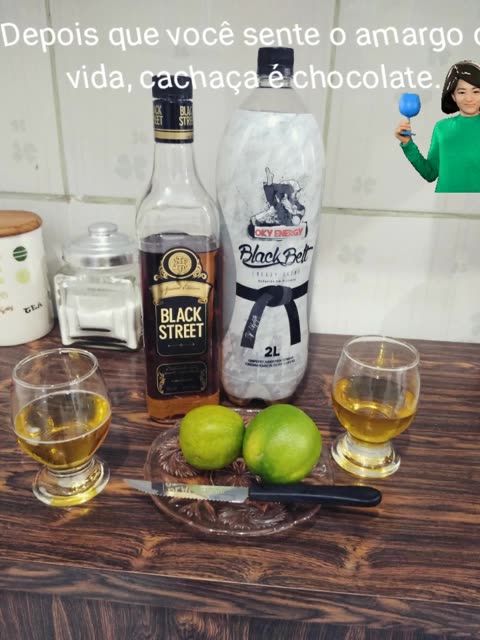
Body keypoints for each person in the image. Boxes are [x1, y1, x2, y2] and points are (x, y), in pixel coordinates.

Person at [395, 60, 480, 193]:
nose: (469, 98)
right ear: (453, 96)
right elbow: (430, 173)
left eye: (476, 91)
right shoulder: (441, 128)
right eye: (462, 92)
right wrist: (408, 144)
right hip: (445, 203)